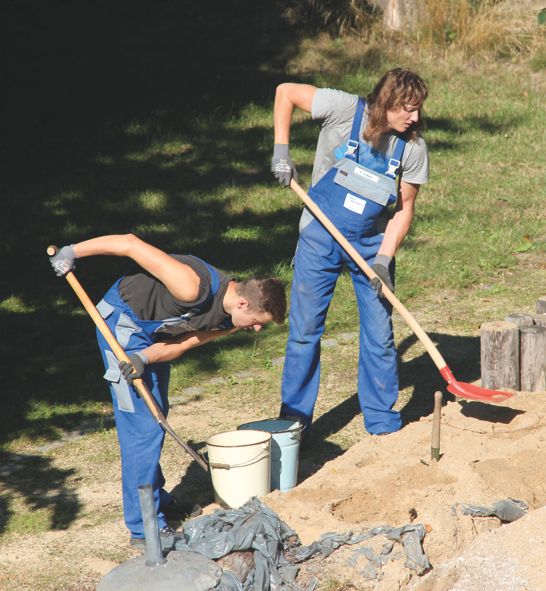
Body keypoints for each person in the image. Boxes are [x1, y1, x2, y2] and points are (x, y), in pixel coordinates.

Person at [49, 233, 286, 546]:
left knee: (157, 412)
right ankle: (144, 528)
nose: (255, 329)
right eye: (258, 321)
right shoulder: (191, 286)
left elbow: (183, 343)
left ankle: (156, 499)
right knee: (142, 429)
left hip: (153, 339)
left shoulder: (228, 320)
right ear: (244, 303)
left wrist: (144, 357)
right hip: (122, 324)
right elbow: (130, 244)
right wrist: (72, 252)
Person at [271, 68, 429, 436]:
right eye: (408, 108)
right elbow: (286, 92)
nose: (415, 117)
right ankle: (293, 425)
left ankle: (382, 421)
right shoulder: (344, 110)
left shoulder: (413, 148)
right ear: (387, 101)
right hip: (319, 235)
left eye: (418, 109)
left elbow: (404, 210)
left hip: (372, 243)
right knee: (305, 331)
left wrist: (384, 260)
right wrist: (282, 150)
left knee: (378, 332)